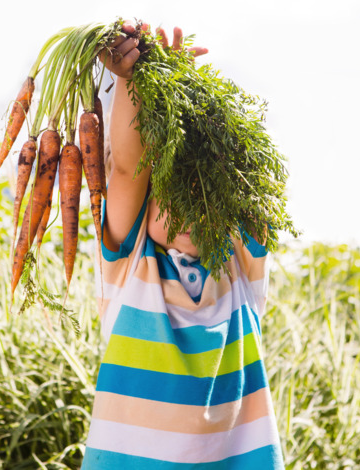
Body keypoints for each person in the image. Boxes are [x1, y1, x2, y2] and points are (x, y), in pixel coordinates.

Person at [81, 22, 285, 469]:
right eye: (173, 197)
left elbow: (244, 172)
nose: (193, 212)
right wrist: (133, 81)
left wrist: (185, 91)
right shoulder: (130, 266)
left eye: (205, 198)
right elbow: (127, 169)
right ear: (146, 202)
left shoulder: (238, 271)